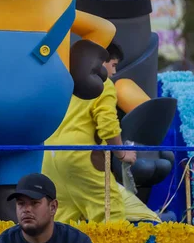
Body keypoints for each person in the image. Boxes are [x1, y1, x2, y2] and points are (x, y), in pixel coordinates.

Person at [42, 42, 136, 223]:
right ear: (100, 61)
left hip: (49, 158)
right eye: (113, 65)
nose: (114, 72)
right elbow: (108, 124)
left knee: (60, 221)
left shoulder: (64, 81)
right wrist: (122, 154)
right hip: (82, 158)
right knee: (111, 214)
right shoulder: (102, 84)